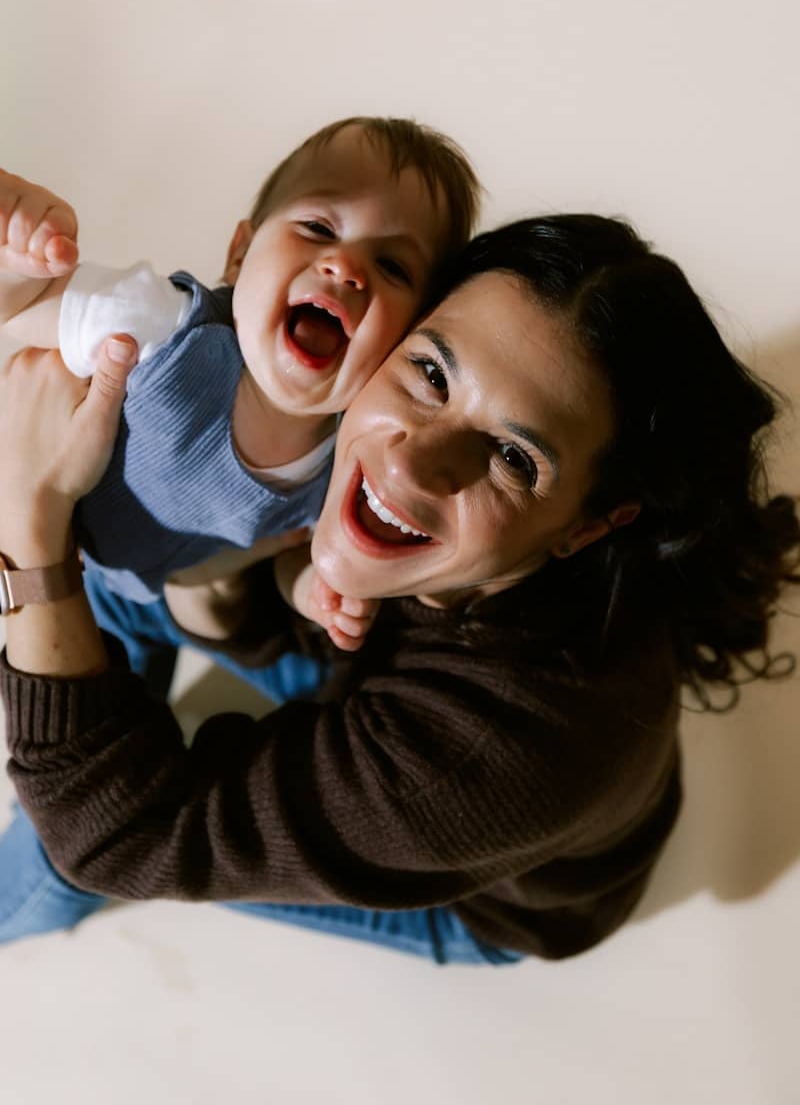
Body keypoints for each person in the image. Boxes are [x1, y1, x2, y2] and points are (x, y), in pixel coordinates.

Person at [1, 215, 797, 965]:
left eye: (515, 458)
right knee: (124, 586)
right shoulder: (371, 408)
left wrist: (29, 523)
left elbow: (118, 839)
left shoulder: (490, 757)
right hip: (375, 678)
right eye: (429, 371)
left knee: (66, 845)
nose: (411, 463)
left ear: (587, 526)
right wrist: (211, 592)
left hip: (486, 894)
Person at [0, 118, 480, 663]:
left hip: (166, 594)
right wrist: (20, 252)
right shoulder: (163, 328)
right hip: (65, 564)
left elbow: (295, 556)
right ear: (240, 254)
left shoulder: (356, 453)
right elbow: (18, 306)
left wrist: (315, 594)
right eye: (319, 229)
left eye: (392, 265)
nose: (345, 267)